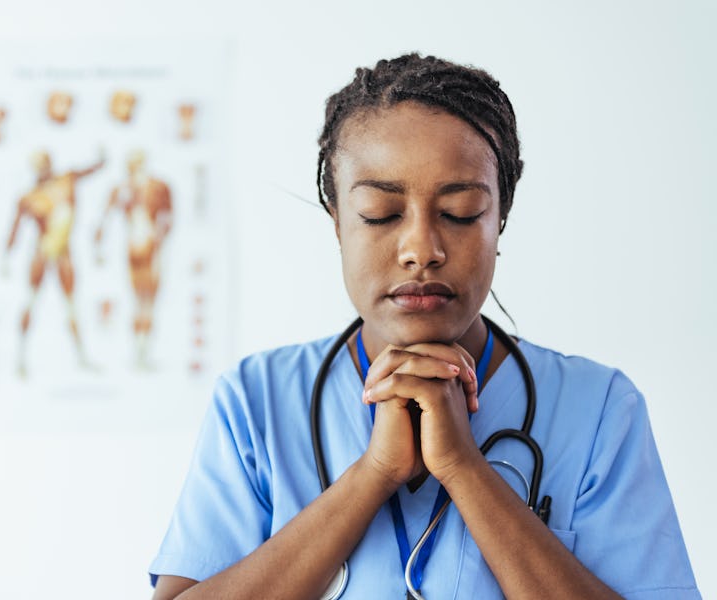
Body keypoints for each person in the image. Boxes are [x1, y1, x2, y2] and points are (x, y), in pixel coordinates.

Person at [149, 54, 700, 599]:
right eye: (380, 214)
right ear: (337, 221)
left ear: (499, 218)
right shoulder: (255, 402)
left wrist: (465, 467)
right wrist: (373, 475)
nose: (421, 250)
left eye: (460, 212)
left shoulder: (599, 409)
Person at [5, 150, 104, 376]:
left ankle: (81, 356)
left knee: (71, 305)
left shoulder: (66, 181)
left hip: (63, 253)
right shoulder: (30, 197)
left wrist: (101, 160)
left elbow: (87, 170)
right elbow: (15, 229)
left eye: (43, 163)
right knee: (31, 300)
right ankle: (20, 357)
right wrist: (7, 256)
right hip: (42, 252)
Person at [94, 149, 173, 368]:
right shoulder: (123, 189)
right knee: (141, 301)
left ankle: (143, 352)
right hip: (136, 247)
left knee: (148, 301)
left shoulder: (157, 187)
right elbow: (104, 220)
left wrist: (158, 238)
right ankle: (139, 352)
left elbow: (168, 217)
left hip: (150, 246)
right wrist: (99, 247)